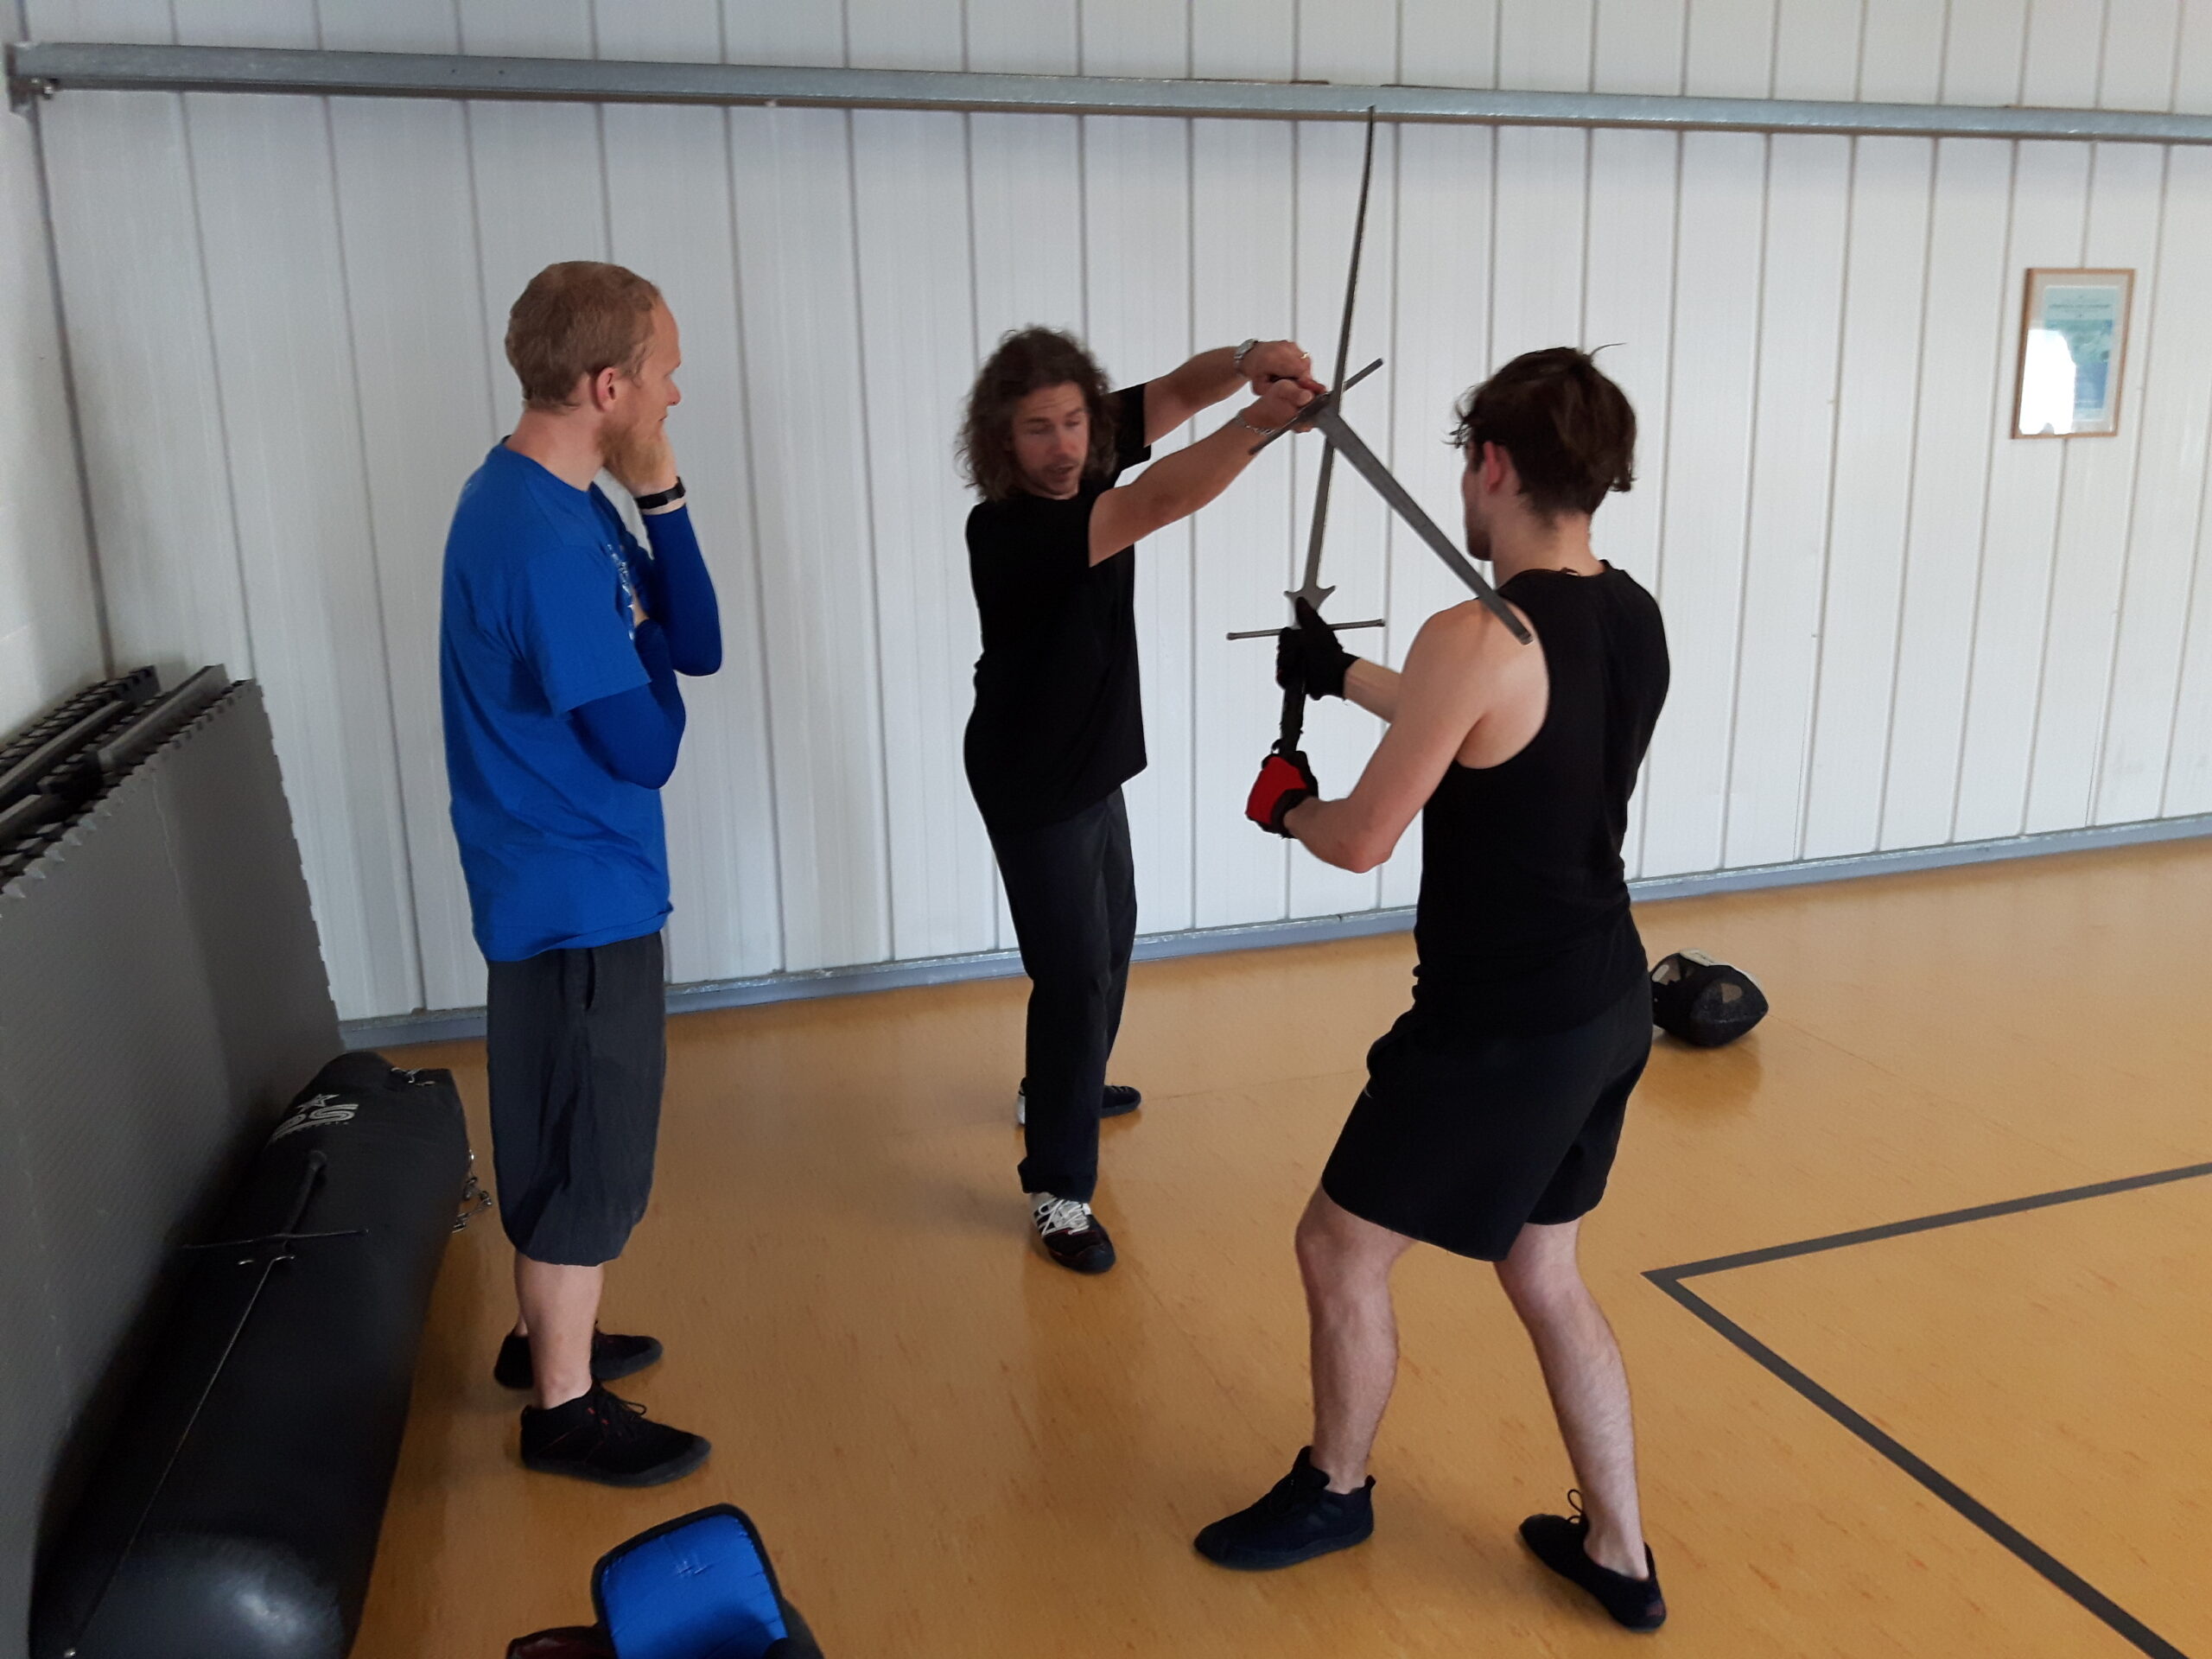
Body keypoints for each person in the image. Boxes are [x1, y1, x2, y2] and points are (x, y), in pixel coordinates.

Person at [1198, 348, 1673, 1631]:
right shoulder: (1628, 614)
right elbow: (1492, 725)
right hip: (1605, 1000)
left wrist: (1289, 807)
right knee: (1545, 1269)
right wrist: (1337, 672)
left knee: (1337, 1247)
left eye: (1469, 461)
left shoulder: (1475, 633)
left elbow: (1362, 837)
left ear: (1494, 465)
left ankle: (1334, 1489)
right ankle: (1619, 1553)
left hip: (1499, 1027)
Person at [440, 261, 721, 1486]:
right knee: (586, 1149)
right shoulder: (536, 538)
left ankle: (543, 1336)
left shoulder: (564, 500)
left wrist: (659, 493)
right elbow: (648, 746)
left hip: (580, 877)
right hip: (571, 895)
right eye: (665, 374)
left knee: (568, 1132)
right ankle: (562, 1411)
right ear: (610, 385)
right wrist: (647, 652)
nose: (675, 392)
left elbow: (696, 643)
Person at [957, 327, 1320, 1274]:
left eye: (1074, 422)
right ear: (1001, 441)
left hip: (1091, 761)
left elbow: (1173, 395)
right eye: (1038, 430)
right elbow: (1160, 498)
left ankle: (1060, 1089)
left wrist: (1246, 359)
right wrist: (1263, 422)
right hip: (1033, 776)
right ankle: (1058, 1188)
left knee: (1112, 940)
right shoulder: (1009, 530)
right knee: (1073, 976)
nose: (1064, 447)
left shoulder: (1082, 452)